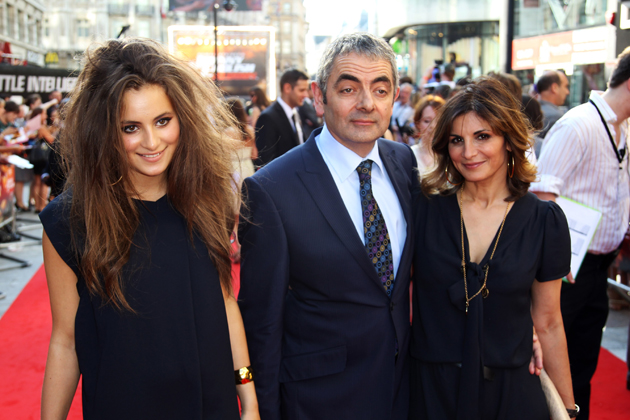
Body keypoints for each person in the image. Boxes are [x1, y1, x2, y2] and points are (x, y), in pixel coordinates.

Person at [39, 38, 259, 420]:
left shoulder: (209, 203)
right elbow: (65, 340)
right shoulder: (68, 222)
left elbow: (224, 305)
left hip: (211, 406)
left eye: (162, 121)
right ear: (104, 131)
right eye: (130, 128)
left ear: (182, 118)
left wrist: (249, 396)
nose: (152, 142)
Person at [238, 32, 419, 420]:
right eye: (349, 88)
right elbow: (262, 324)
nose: (366, 103)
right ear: (319, 97)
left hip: (402, 391)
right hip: (319, 401)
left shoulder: (404, 163)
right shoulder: (271, 189)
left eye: (381, 89)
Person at [409, 77, 575, 419]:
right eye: (457, 140)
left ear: (509, 140)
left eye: (482, 136)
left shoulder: (544, 221)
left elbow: (548, 321)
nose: (468, 153)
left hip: (511, 395)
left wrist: (569, 410)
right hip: (431, 393)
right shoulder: (422, 209)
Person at [531, 46, 630, 420]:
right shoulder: (579, 124)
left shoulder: (621, 127)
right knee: (555, 365)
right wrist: (562, 258)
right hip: (569, 270)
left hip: (597, 267)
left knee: (584, 362)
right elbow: (543, 195)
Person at [255, 69, 309, 165]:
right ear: (287, 88)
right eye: (301, 90)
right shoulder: (268, 117)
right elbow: (266, 162)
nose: (306, 95)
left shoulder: (296, 112)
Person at [410, 94, 445, 176]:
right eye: (427, 121)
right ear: (418, 123)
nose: (433, 126)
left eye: (438, 121)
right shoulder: (410, 155)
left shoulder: (450, 156)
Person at [536, 70, 570, 139]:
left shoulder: (530, 110)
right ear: (554, 88)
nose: (567, 92)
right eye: (565, 86)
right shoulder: (556, 117)